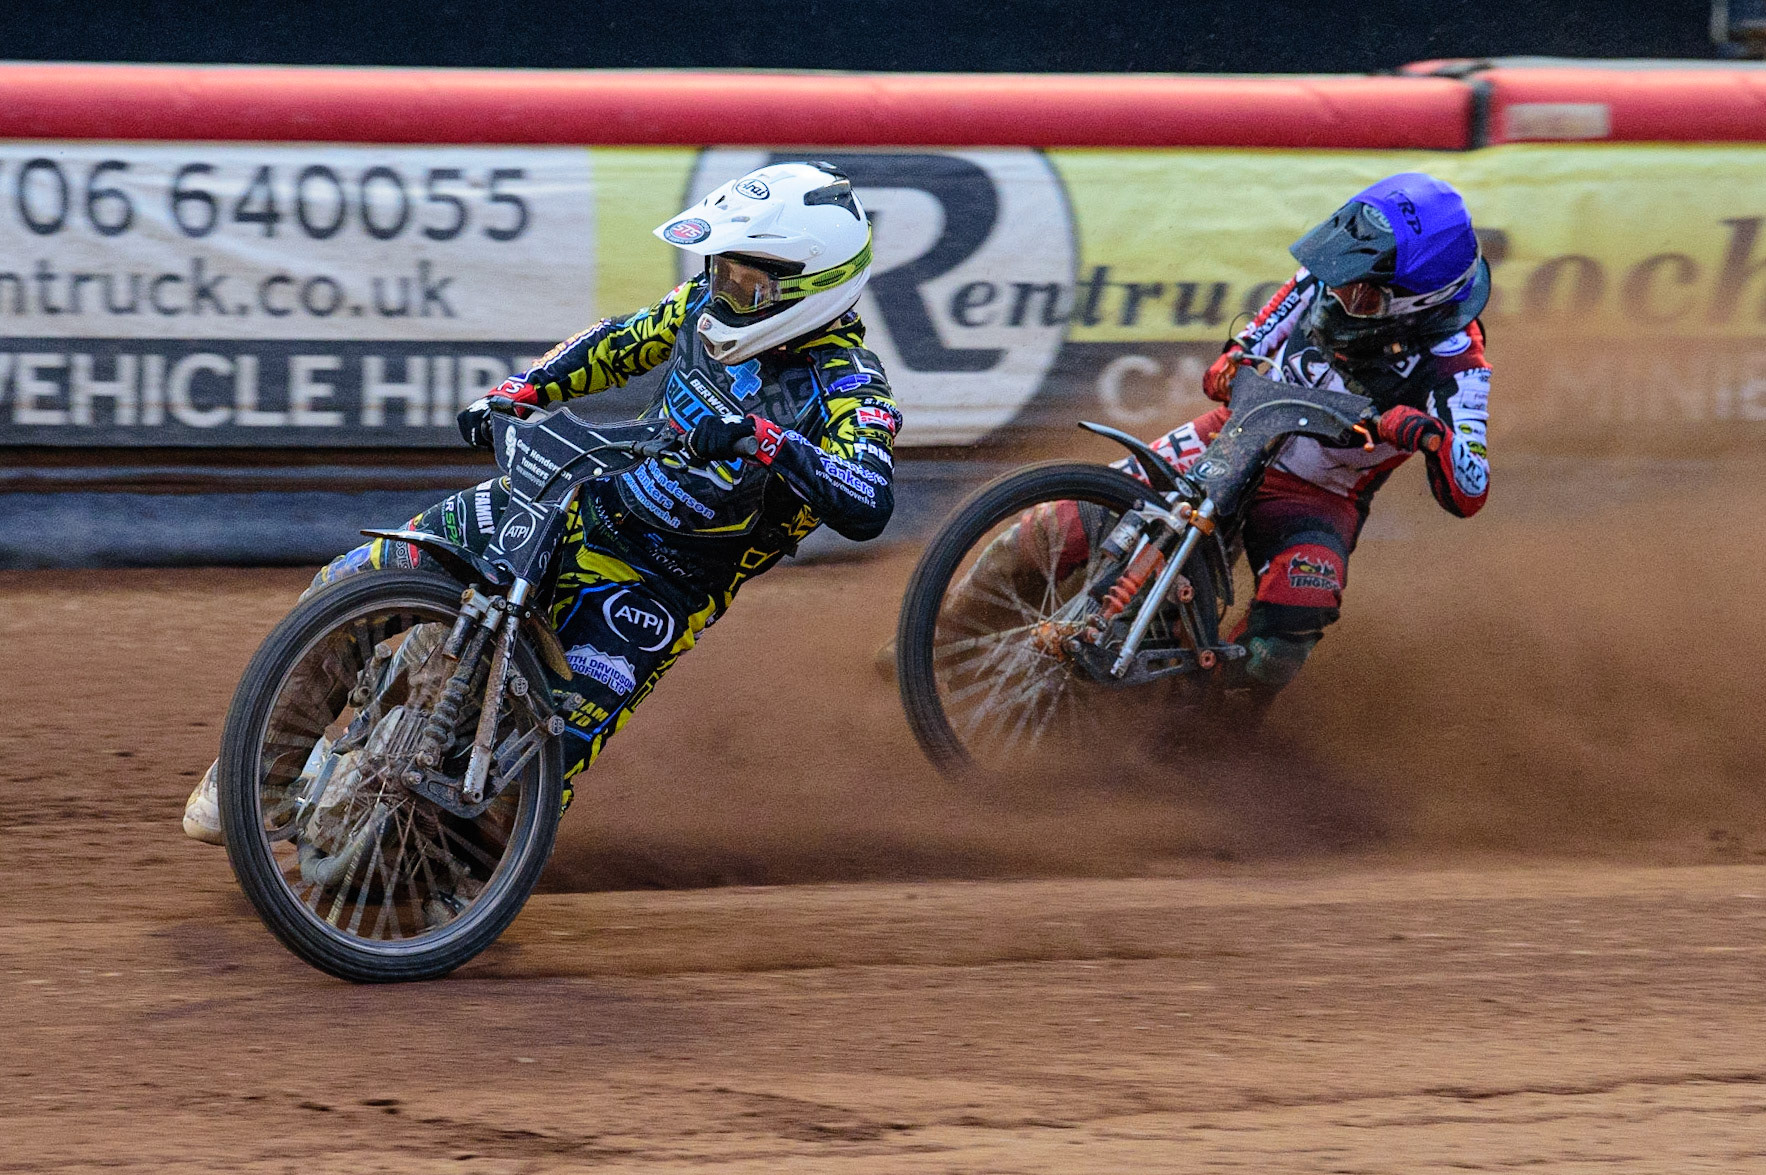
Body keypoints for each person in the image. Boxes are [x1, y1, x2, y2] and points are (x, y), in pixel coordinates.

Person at [184, 161, 900, 843]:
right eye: (720, 269)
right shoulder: (701, 309)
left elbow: (870, 500)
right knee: (359, 577)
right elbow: (623, 340)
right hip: (573, 497)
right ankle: (263, 769)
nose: (724, 290)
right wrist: (523, 389)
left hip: (654, 590)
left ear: (815, 286)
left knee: (519, 779)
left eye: (747, 280)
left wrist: (765, 439)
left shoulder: (848, 387)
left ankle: (439, 887)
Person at [959, 171, 1491, 703]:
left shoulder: (1459, 364)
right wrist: (1233, 363)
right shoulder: (1327, 274)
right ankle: (946, 638)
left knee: (1289, 625)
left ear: (1414, 304)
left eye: (1362, 292)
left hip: (1316, 495)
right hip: (1234, 437)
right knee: (1063, 523)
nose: (1338, 287)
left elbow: (1471, 490)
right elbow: (1244, 350)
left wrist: (1432, 437)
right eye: (1338, 269)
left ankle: (1209, 732)